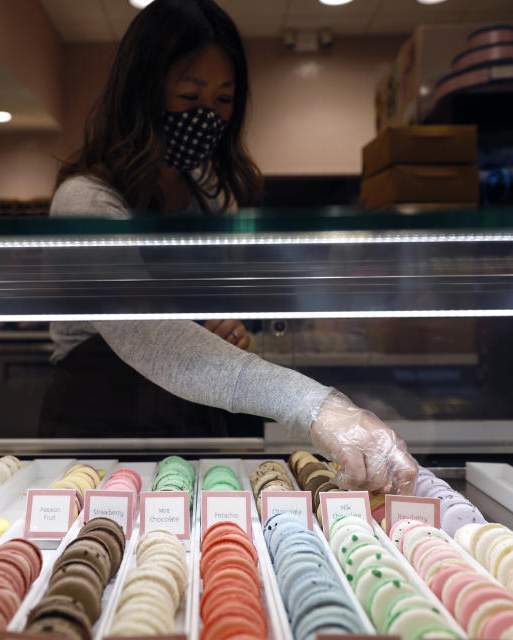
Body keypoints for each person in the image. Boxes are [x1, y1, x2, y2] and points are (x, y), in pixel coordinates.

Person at [39, 0, 417, 495]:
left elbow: (196, 317)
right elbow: (149, 338)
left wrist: (222, 327)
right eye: (189, 94)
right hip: (95, 433)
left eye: (223, 99)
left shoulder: (207, 193)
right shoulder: (84, 202)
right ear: (142, 95)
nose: (207, 116)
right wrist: (317, 407)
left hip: (189, 422)